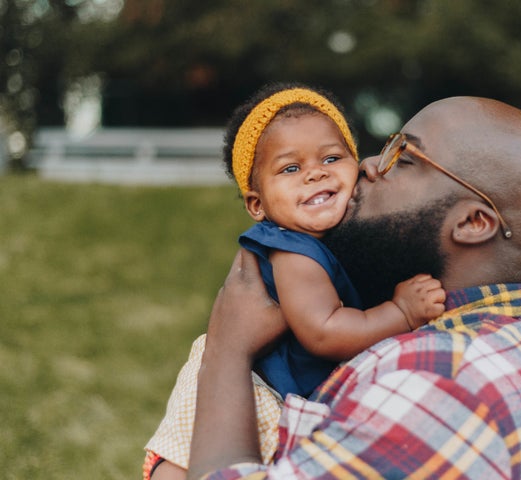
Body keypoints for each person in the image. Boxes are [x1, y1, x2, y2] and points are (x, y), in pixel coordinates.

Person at [186, 95, 521, 479]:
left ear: (473, 223)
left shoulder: (437, 386)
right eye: (389, 146)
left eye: (404, 159)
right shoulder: (475, 337)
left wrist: (226, 352)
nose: (371, 164)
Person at [143, 84, 444, 479]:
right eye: (290, 168)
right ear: (258, 204)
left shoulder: (330, 239)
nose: (315, 173)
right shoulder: (293, 251)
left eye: (332, 158)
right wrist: (400, 312)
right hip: (253, 392)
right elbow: (324, 331)